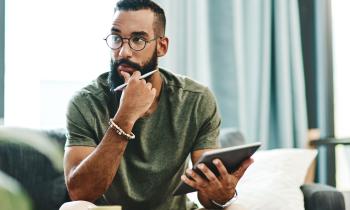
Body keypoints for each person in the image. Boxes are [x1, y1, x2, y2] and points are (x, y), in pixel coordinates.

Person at [60, 0, 253, 210]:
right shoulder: (85, 102)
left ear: (161, 46)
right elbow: (80, 192)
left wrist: (222, 194)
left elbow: (207, 197)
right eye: (117, 38)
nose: (123, 52)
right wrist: (125, 117)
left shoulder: (196, 99)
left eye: (138, 39)